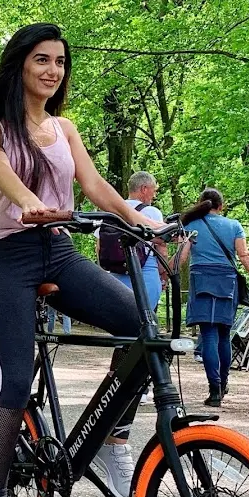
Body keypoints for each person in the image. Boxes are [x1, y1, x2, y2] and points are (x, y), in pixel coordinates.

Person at [0, 22, 160, 497]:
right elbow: (11, 185)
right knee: (14, 382)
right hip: (8, 258)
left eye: (60, 62)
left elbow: (93, 185)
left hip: (60, 252)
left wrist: (136, 218)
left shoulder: (64, 128)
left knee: (142, 329)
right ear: (20, 64)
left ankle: (114, 439)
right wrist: (30, 205)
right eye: (41, 59)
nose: (52, 70)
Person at [179, 188, 249, 407]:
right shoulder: (234, 226)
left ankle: (214, 391)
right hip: (226, 282)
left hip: (201, 280)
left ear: (201, 204)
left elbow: (182, 256)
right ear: (221, 206)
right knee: (223, 336)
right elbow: (244, 255)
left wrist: (165, 276)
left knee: (208, 336)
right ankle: (223, 384)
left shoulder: (191, 225)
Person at [99, 170, 167, 403]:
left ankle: (114, 382)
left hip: (115, 278)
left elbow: (101, 250)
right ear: (144, 189)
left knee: (123, 335)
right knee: (145, 331)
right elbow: (161, 246)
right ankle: (140, 386)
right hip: (144, 279)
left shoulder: (110, 211)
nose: (154, 195)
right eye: (154, 190)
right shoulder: (150, 212)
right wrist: (164, 275)